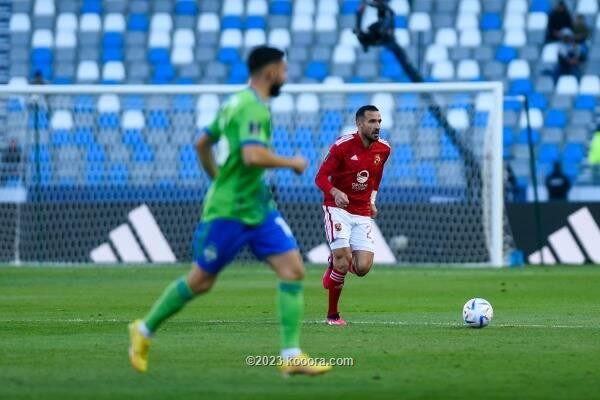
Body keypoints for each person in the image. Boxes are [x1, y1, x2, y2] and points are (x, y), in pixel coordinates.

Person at [128, 46, 331, 376]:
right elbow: (252, 156)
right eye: (283, 69)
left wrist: (217, 176)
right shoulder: (253, 109)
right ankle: (144, 330)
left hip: (258, 206)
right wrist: (291, 162)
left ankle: (291, 355)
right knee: (201, 281)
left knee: (292, 269)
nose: (286, 76)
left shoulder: (234, 103)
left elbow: (201, 143)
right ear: (270, 72)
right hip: (229, 211)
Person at [315, 105, 391, 326]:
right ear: (359, 124)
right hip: (337, 209)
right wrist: (335, 192)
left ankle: (336, 261)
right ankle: (332, 315)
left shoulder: (384, 149)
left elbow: (376, 177)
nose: (377, 126)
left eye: (379, 121)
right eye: (372, 122)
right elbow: (320, 178)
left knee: (362, 268)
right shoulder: (342, 146)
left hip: (362, 212)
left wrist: (372, 201)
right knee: (343, 262)